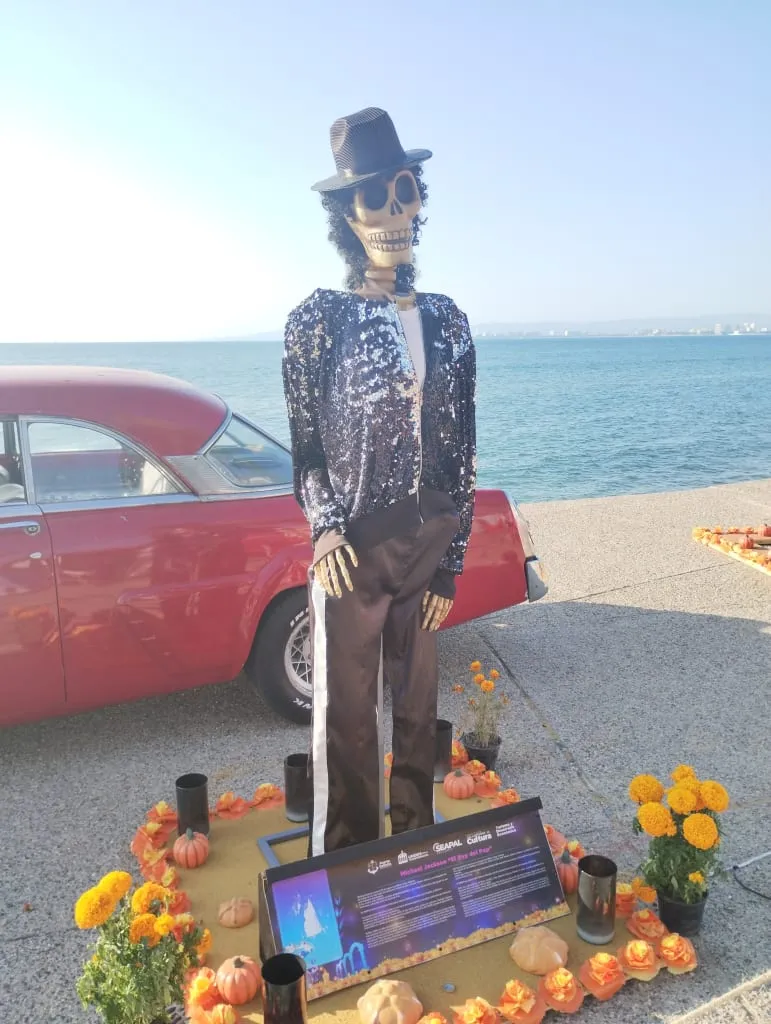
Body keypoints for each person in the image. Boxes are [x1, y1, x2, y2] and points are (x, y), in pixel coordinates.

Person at [282, 107, 477, 855]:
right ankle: (351, 861)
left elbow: (462, 450)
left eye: (405, 190)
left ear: (418, 198)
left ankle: (415, 848)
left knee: (419, 709)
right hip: (353, 552)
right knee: (348, 716)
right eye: (374, 196)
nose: (395, 213)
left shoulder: (449, 320)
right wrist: (325, 527)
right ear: (347, 212)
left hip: (425, 545)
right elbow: (306, 453)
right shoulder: (317, 323)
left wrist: (451, 562)